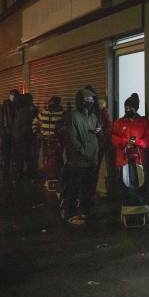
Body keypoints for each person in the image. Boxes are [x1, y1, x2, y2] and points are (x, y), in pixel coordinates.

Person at [63, 88, 100, 225]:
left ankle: (85, 212)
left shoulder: (93, 117)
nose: (89, 102)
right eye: (86, 100)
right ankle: (70, 213)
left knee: (87, 188)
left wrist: (98, 132)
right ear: (80, 101)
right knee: (74, 187)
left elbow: (95, 134)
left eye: (91, 100)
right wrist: (82, 150)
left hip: (92, 159)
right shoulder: (73, 116)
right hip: (78, 160)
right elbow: (72, 138)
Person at [111, 93, 149, 200]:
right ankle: (125, 211)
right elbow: (113, 138)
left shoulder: (144, 122)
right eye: (126, 107)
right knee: (124, 188)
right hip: (123, 161)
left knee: (139, 188)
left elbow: (148, 140)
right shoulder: (119, 122)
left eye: (130, 107)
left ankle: (139, 210)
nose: (127, 110)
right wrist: (125, 142)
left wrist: (137, 142)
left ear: (135, 108)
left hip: (139, 161)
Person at [34, 96, 64, 185]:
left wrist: (60, 135)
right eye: (50, 103)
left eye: (53, 103)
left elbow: (65, 126)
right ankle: (48, 177)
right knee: (45, 159)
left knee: (57, 159)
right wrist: (37, 133)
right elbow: (35, 123)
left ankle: (57, 178)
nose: (50, 105)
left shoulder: (62, 114)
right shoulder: (43, 113)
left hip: (57, 141)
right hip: (45, 140)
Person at [12, 93, 37, 182]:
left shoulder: (20, 110)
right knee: (27, 156)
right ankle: (30, 175)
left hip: (19, 137)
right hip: (25, 137)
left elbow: (19, 125)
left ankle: (20, 175)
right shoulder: (27, 111)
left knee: (21, 157)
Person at [0, 89, 19, 179]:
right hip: (8, 131)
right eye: (11, 94)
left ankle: (8, 168)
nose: (12, 96)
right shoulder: (5, 105)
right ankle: (7, 167)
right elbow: (0, 118)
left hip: (11, 132)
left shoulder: (16, 105)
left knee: (10, 150)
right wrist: (1, 129)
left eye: (13, 95)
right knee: (7, 150)